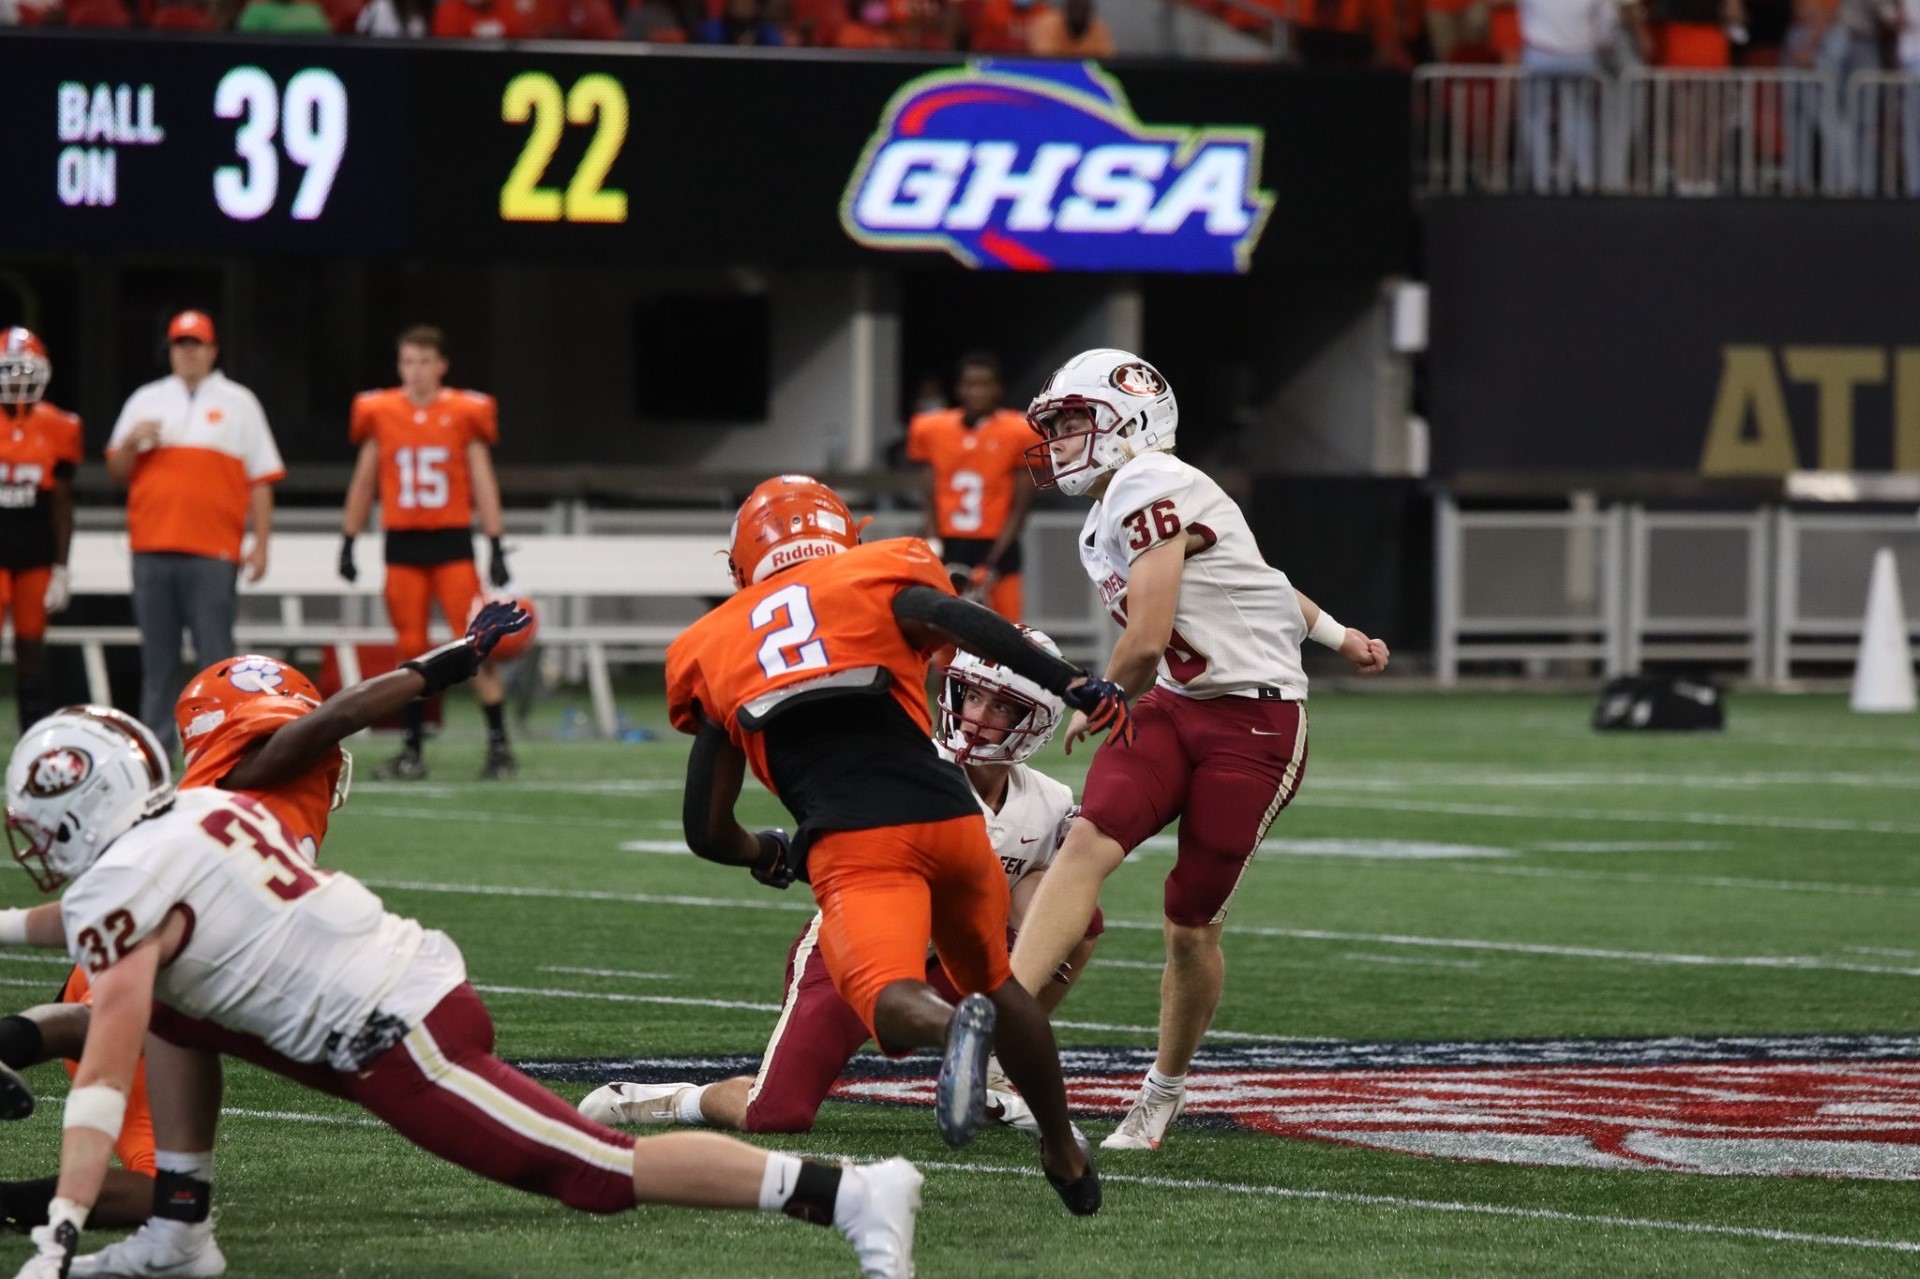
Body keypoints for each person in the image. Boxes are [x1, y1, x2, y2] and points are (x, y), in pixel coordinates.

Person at [2, 700, 921, 1279]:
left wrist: (60, 1231)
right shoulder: (201, 812)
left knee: (597, 1170)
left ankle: (849, 1194)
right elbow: (110, 937)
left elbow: (101, 1073)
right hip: (381, 996)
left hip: (398, 1034)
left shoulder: (129, 887)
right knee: (177, 1004)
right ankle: (179, 1228)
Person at [661, 475, 1134, 1212]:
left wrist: (767, 852)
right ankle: (1063, 1148)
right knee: (1003, 985)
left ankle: (955, 1031)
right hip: (951, 818)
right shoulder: (877, 568)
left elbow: (706, 827)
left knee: (888, 999)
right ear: (847, 534)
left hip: (856, 838)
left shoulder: (709, 645)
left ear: (739, 563)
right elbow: (952, 614)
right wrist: (1071, 681)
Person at [0, 610, 515, 1255]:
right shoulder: (250, 770)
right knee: (129, 1053)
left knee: (167, 1188)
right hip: (150, 963)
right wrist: (438, 667)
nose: (300, 731)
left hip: (155, 958)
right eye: (277, 718)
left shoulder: (247, 786)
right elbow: (331, 720)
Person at [1007, 349, 1390, 1153]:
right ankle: (1000, 1013)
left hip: (1253, 727)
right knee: (1086, 842)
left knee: (1190, 925)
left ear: (1129, 420)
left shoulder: (1152, 482)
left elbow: (1145, 639)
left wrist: (1103, 692)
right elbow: (1261, 578)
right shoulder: (1119, 508)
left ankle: (1162, 1092)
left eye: (1075, 420)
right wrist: (1342, 633)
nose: (1062, 439)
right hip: (1180, 708)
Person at [580, 631, 1101, 1136]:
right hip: (852, 954)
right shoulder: (908, 767)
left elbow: (1047, 912)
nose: (976, 716)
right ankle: (669, 1100)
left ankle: (992, 1069)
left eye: (1002, 707)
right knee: (777, 1114)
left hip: (949, 960)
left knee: (1078, 918)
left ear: (1037, 722)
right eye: (971, 695)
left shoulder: (1048, 801)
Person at [340, 325, 516, 782]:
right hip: (402, 545)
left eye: (423, 362)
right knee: (412, 650)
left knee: (477, 644)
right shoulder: (379, 411)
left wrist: (494, 540)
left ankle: (499, 746)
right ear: (399, 366)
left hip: (453, 541)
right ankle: (412, 750)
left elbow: (482, 479)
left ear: (441, 365)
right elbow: (364, 480)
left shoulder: (464, 411)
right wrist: (349, 535)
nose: (415, 372)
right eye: (408, 362)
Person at [106, 311, 283, 756]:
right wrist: (130, 443)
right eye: (181, 343)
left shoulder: (240, 402)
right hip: (152, 547)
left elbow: (260, 479)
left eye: (196, 343)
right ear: (169, 350)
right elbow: (116, 470)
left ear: (212, 350)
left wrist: (260, 544)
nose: (188, 351)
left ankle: (220, 750)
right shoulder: (145, 400)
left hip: (213, 550)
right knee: (158, 663)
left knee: (217, 661)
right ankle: (155, 755)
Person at [906, 353, 1035, 622]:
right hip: (951, 539)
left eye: (985, 384)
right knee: (944, 629)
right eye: (971, 384)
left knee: (1008, 628)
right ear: (959, 389)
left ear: (998, 388)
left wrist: (992, 560)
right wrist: (934, 543)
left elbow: (1020, 504)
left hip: (996, 541)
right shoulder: (932, 428)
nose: (978, 392)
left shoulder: (1018, 429)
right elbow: (928, 492)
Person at [0, 329, 81, 733]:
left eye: (24, 369)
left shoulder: (59, 426)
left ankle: (33, 732)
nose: (16, 379)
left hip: (34, 554)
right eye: (9, 370)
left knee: (31, 646)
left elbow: (63, 503)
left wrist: (62, 567)